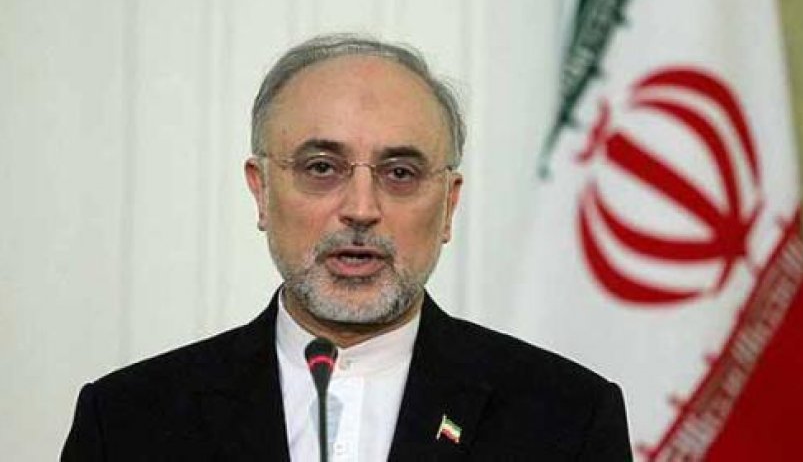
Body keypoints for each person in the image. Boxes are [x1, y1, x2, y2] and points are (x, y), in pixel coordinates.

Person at [62, 34, 632, 461]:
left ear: (448, 205)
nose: (361, 208)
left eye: (401, 172)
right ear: (262, 192)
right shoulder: (128, 420)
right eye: (321, 168)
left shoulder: (568, 417)